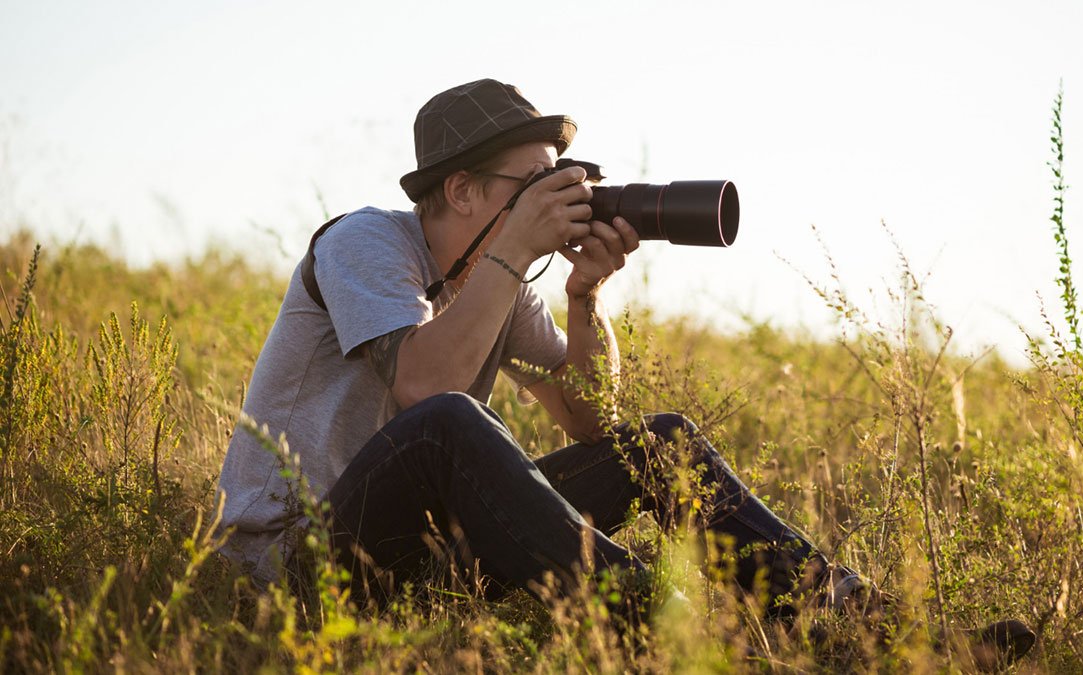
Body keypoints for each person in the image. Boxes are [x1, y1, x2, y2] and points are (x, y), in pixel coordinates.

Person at [215, 79, 1034, 667]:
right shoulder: (367, 241)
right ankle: (664, 626)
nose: (560, 198)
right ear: (459, 190)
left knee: (660, 443)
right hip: (296, 569)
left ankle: (866, 629)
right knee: (450, 423)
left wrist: (584, 298)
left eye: (564, 182)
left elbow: (591, 423)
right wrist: (512, 250)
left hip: (421, 570)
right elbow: (426, 388)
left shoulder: (494, 279)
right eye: (535, 184)